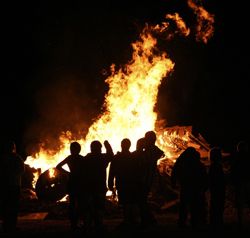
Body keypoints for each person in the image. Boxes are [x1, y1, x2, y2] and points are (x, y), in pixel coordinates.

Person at [171, 146, 208, 230]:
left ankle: (183, 222)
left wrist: (173, 182)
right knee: (194, 205)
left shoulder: (182, 161)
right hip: (194, 186)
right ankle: (193, 222)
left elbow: (175, 171)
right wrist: (204, 186)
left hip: (186, 185)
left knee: (184, 205)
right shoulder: (196, 162)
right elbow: (203, 174)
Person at [108, 138, 140, 229]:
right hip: (131, 184)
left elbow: (111, 172)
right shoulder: (133, 157)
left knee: (126, 203)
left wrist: (110, 184)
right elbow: (137, 172)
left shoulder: (117, 158)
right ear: (129, 146)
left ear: (121, 145)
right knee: (132, 202)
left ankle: (127, 221)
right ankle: (132, 221)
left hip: (122, 184)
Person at [83, 140, 114, 233]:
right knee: (99, 207)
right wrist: (107, 145)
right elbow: (111, 155)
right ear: (99, 148)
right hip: (100, 187)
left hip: (89, 187)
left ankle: (88, 225)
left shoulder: (87, 158)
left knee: (89, 207)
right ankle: (99, 224)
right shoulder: (102, 158)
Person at [56, 141, 85, 230]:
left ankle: (73, 223)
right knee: (80, 203)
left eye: (72, 149)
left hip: (72, 182)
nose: (71, 150)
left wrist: (68, 173)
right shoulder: (82, 158)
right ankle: (78, 222)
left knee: (72, 203)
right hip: (80, 182)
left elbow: (58, 166)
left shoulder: (70, 158)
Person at [0, 140, 25, 232]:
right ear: (13, 148)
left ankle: (6, 225)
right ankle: (11, 225)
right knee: (13, 206)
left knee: (6, 205)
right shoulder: (16, 158)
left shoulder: (3, 158)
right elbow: (22, 170)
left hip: (5, 185)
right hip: (14, 185)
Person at [230, 140, 250, 228]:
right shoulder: (247, 156)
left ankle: (240, 221)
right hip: (246, 180)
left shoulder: (237, 157)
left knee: (240, 202)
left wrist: (233, 180)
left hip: (240, 181)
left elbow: (233, 170)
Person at [208, 146, 226, 231]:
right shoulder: (216, 166)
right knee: (218, 205)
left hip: (215, 189)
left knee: (215, 205)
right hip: (218, 189)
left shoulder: (213, 166)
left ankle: (215, 222)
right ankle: (217, 222)